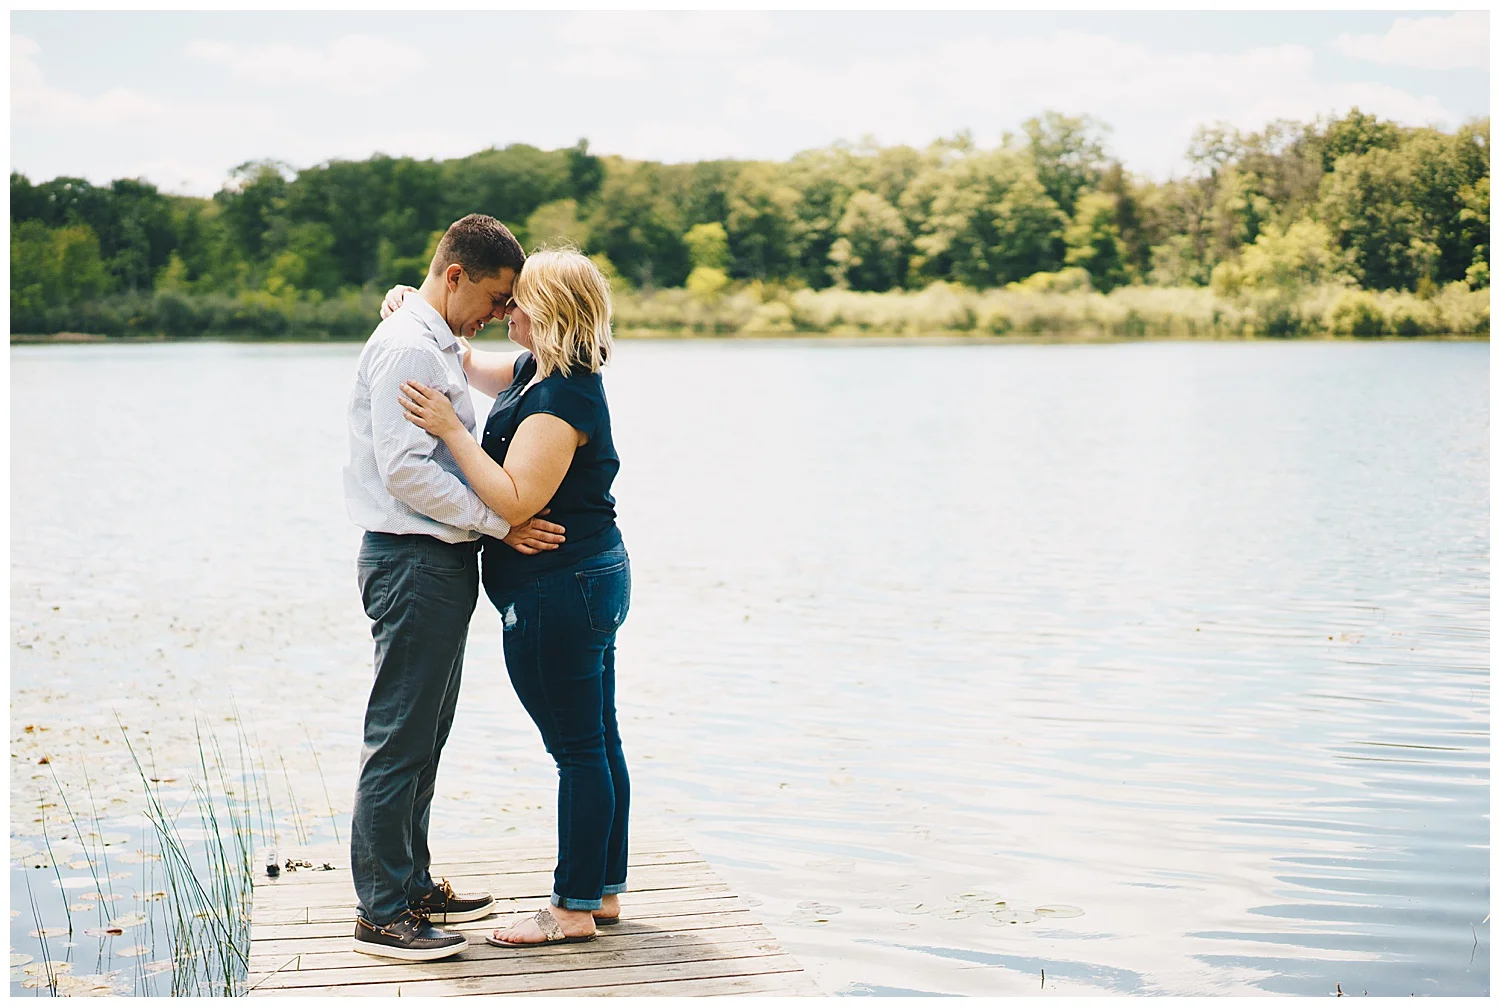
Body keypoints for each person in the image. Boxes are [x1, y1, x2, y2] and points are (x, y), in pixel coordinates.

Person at [343, 214, 567, 962]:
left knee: (425, 733)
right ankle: (381, 912)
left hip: (436, 561)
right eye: (499, 297)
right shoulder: (410, 344)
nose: (502, 315)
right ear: (454, 277)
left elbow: (458, 386)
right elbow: (406, 468)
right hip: (410, 560)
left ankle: (410, 883)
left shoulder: (431, 336)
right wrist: (498, 524)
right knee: (399, 736)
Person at [392, 249, 631, 947]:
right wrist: (418, 303)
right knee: (597, 739)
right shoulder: (537, 371)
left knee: (579, 748)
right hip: (583, 580)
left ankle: (571, 908)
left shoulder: (563, 401)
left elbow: (515, 497)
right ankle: (600, 890)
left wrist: (449, 429)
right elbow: (468, 363)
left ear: (549, 313)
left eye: (517, 302)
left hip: (564, 589)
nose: (506, 310)